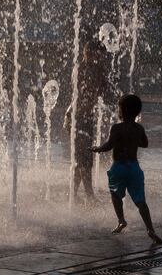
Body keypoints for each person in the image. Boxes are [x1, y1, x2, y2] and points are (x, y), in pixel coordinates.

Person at [90, 94, 162, 245]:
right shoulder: (139, 128)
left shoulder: (117, 128)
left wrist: (97, 148)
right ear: (137, 112)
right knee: (140, 201)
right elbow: (145, 144)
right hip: (134, 168)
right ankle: (150, 229)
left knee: (115, 194)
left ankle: (121, 220)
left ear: (122, 110)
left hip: (119, 167)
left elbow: (108, 146)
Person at [66, 40, 109, 203]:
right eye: (99, 55)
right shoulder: (82, 70)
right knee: (85, 159)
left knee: (83, 158)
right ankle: (89, 195)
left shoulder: (96, 69)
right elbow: (83, 94)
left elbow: (103, 91)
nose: (102, 58)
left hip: (85, 118)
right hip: (76, 118)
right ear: (88, 53)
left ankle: (74, 194)